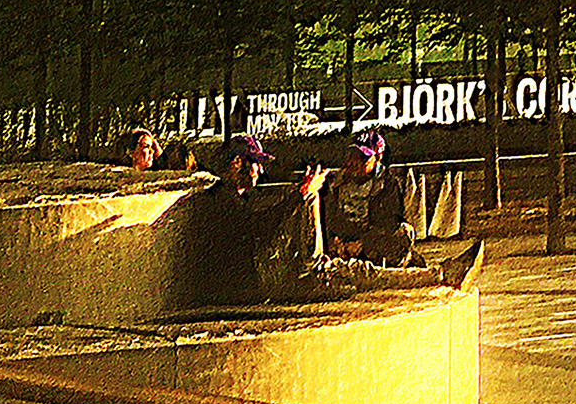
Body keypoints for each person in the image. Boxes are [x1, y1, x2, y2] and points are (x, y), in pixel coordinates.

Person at [202, 133, 480, 308]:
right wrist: (301, 198)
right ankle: (439, 275)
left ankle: (435, 273)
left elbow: (386, 223)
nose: (260, 171)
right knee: (353, 271)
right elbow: (258, 229)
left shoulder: (229, 198)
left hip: (278, 268)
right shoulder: (222, 201)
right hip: (256, 285)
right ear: (237, 163)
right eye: (255, 163)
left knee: (367, 259)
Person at [321, 126, 419, 266]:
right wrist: (338, 241)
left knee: (403, 232)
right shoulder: (336, 184)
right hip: (341, 244)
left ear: (377, 158)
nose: (355, 162)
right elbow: (329, 217)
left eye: (363, 157)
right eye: (352, 156)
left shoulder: (386, 184)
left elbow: (389, 223)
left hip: (369, 244)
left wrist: (363, 243)